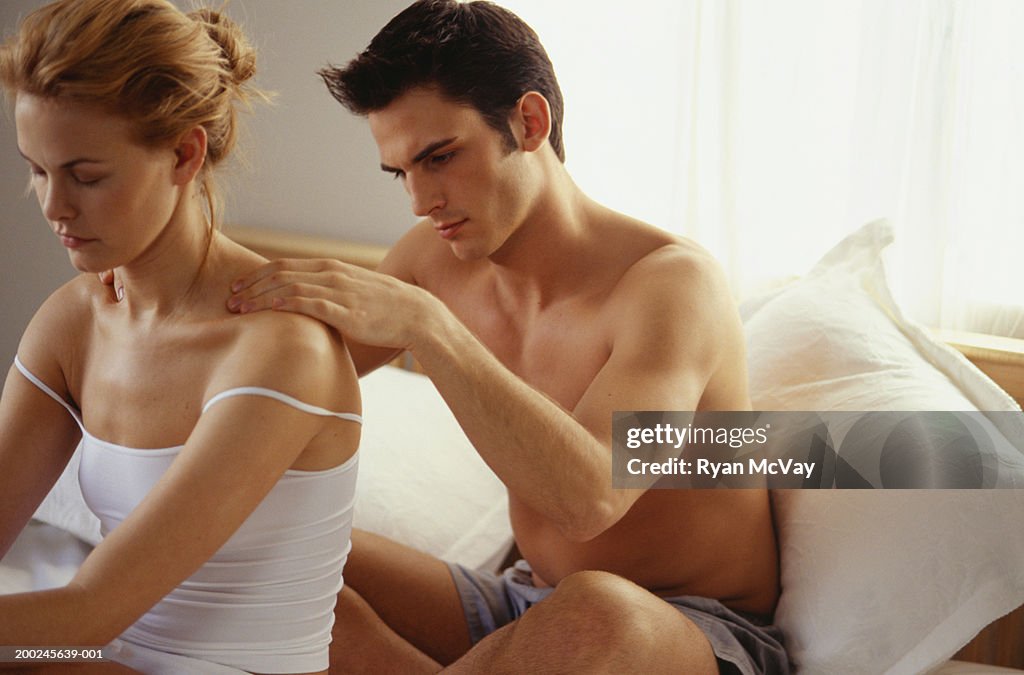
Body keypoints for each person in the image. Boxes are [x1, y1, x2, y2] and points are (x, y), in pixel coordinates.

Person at [228, 1, 789, 673]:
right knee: (260, 541)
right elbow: (278, 374)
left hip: (684, 627)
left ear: (529, 121)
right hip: (524, 602)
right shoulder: (430, 261)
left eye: (440, 157)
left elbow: (590, 501)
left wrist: (428, 326)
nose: (419, 200)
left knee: (597, 608)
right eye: (401, 172)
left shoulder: (670, 285)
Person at [0, 1, 361, 673]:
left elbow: (89, 613)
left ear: (183, 153)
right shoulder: (74, 321)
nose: (54, 207)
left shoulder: (280, 349)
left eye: (86, 174)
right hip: (102, 656)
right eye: (37, 169)